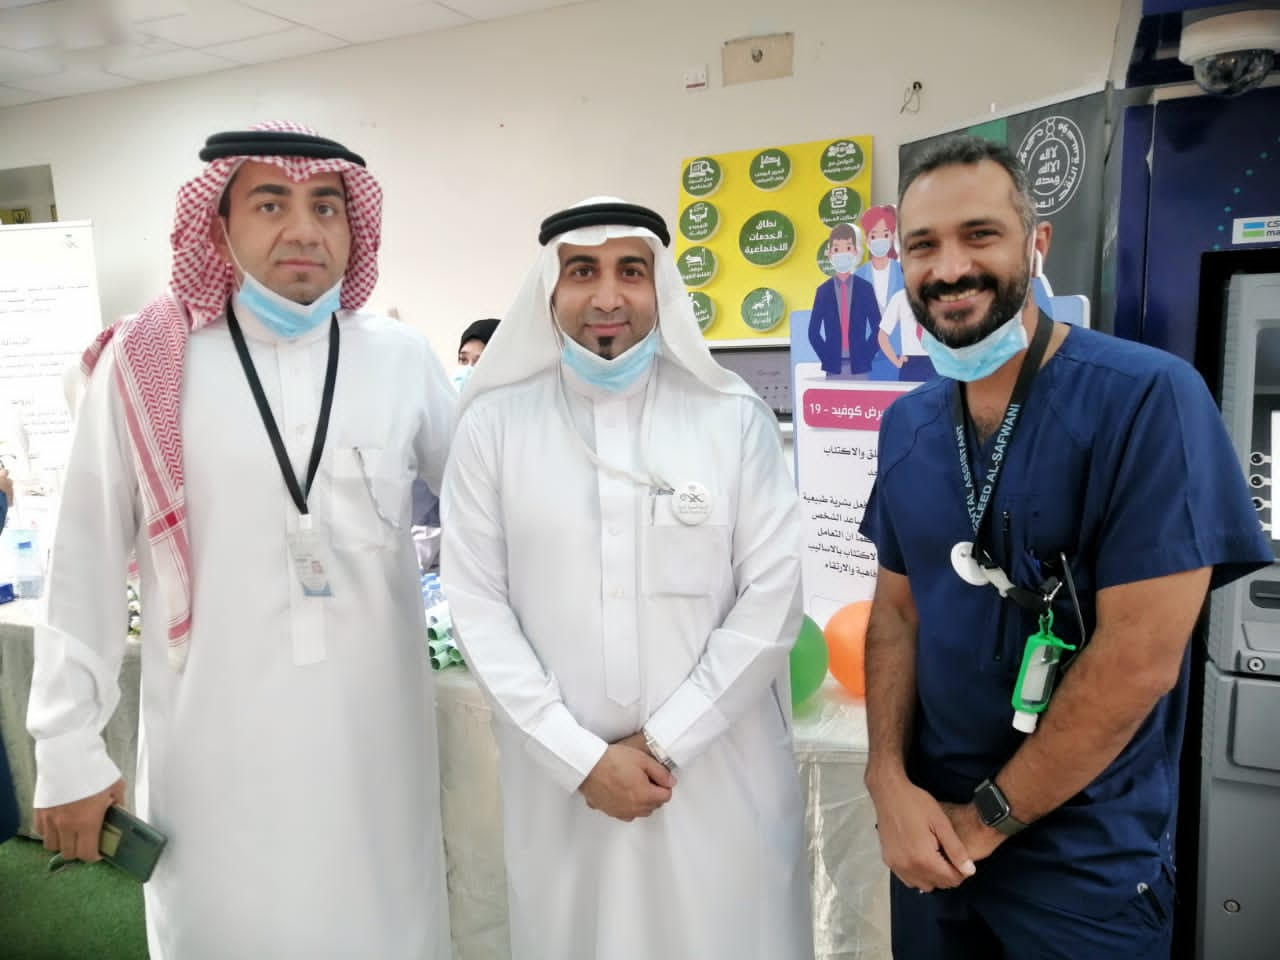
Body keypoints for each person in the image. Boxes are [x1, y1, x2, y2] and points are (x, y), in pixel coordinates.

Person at [27, 122, 455, 960]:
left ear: (354, 225)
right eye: (269, 204)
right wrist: (68, 746)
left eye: (325, 206)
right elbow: (81, 561)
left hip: (375, 751)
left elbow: (494, 514)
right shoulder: (147, 362)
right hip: (215, 753)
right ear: (218, 224)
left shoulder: (402, 358)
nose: (302, 228)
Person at [858, 135, 1271, 959]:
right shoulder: (908, 425)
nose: (949, 268)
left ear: (1036, 243)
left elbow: (1139, 661)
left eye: (980, 235)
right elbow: (896, 616)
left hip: (1083, 868)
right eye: (923, 245)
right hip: (932, 846)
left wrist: (987, 821)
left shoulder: (1148, 399)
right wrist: (886, 781)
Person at [441, 197, 812, 960]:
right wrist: (578, 759)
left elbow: (773, 600)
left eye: (630, 272)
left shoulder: (731, 418)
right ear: (550, 289)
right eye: (583, 271)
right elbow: (477, 606)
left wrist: (669, 740)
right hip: (562, 789)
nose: (608, 296)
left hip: (720, 780)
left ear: (660, 287)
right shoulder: (492, 428)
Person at [809, 222, 878, 378]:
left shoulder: (865, 288)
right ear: (830, 254)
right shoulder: (823, 291)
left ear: (855, 252)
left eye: (847, 248)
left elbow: (877, 328)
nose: (842, 254)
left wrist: (866, 355)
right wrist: (827, 357)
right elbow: (813, 332)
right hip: (833, 367)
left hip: (860, 366)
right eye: (836, 249)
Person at [876, 289, 936, 382]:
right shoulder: (900, 297)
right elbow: (882, 335)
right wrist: (896, 362)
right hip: (910, 363)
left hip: (936, 361)